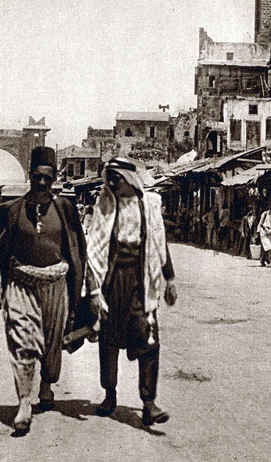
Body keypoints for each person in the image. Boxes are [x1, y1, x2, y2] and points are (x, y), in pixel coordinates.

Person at [0, 147, 87, 434]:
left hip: (56, 286)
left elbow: (78, 248)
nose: (42, 183)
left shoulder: (65, 209)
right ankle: (23, 404)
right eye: (37, 177)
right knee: (22, 341)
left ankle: (46, 387)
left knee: (52, 345)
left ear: (54, 178)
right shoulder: (11, 211)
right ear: (29, 176)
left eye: (48, 178)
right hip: (21, 284)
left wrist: (83, 286)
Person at [85, 158, 177, 426]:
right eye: (109, 178)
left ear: (129, 178)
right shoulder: (104, 204)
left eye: (117, 178)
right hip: (113, 281)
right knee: (109, 339)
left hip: (141, 279)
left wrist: (169, 279)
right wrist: (93, 288)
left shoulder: (149, 204)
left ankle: (149, 403)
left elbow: (160, 243)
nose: (112, 183)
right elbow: (95, 249)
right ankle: (110, 395)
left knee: (148, 338)